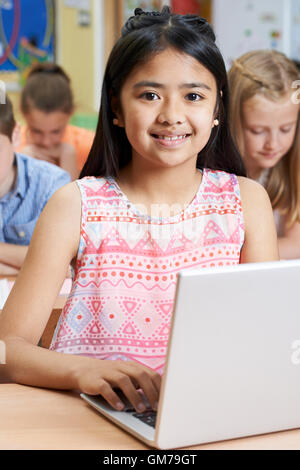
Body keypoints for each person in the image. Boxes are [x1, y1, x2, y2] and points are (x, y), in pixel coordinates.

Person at [0, 7, 279, 413]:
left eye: (194, 96)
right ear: (115, 106)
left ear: (217, 108)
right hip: (88, 417)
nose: (171, 115)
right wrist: (81, 371)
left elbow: (265, 338)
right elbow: (8, 349)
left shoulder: (246, 202)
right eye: (149, 95)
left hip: (207, 416)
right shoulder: (76, 205)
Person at [228, 50, 300, 259]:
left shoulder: (291, 167)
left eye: (286, 129)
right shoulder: (212, 174)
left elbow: (297, 245)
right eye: (257, 131)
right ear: (232, 120)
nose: (273, 144)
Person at [0, 94, 70, 275]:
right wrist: (22, 266)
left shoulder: (51, 183)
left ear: (15, 136)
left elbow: (63, 261)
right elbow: (46, 263)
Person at [16, 63, 95, 180]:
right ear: (23, 113)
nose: (46, 142)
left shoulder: (91, 147)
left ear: (70, 113)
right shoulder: (10, 146)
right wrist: (20, 166)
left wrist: (70, 166)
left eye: (56, 131)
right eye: (36, 131)